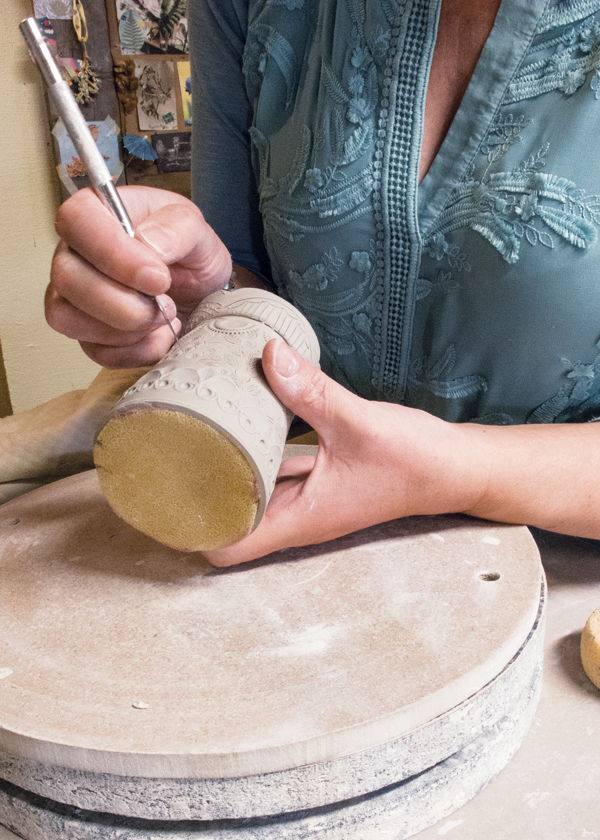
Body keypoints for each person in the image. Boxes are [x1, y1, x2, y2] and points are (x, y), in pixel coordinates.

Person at [46, 0, 600, 565]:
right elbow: (245, 282)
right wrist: (204, 301)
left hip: (571, 573)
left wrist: (456, 470)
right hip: (297, 535)